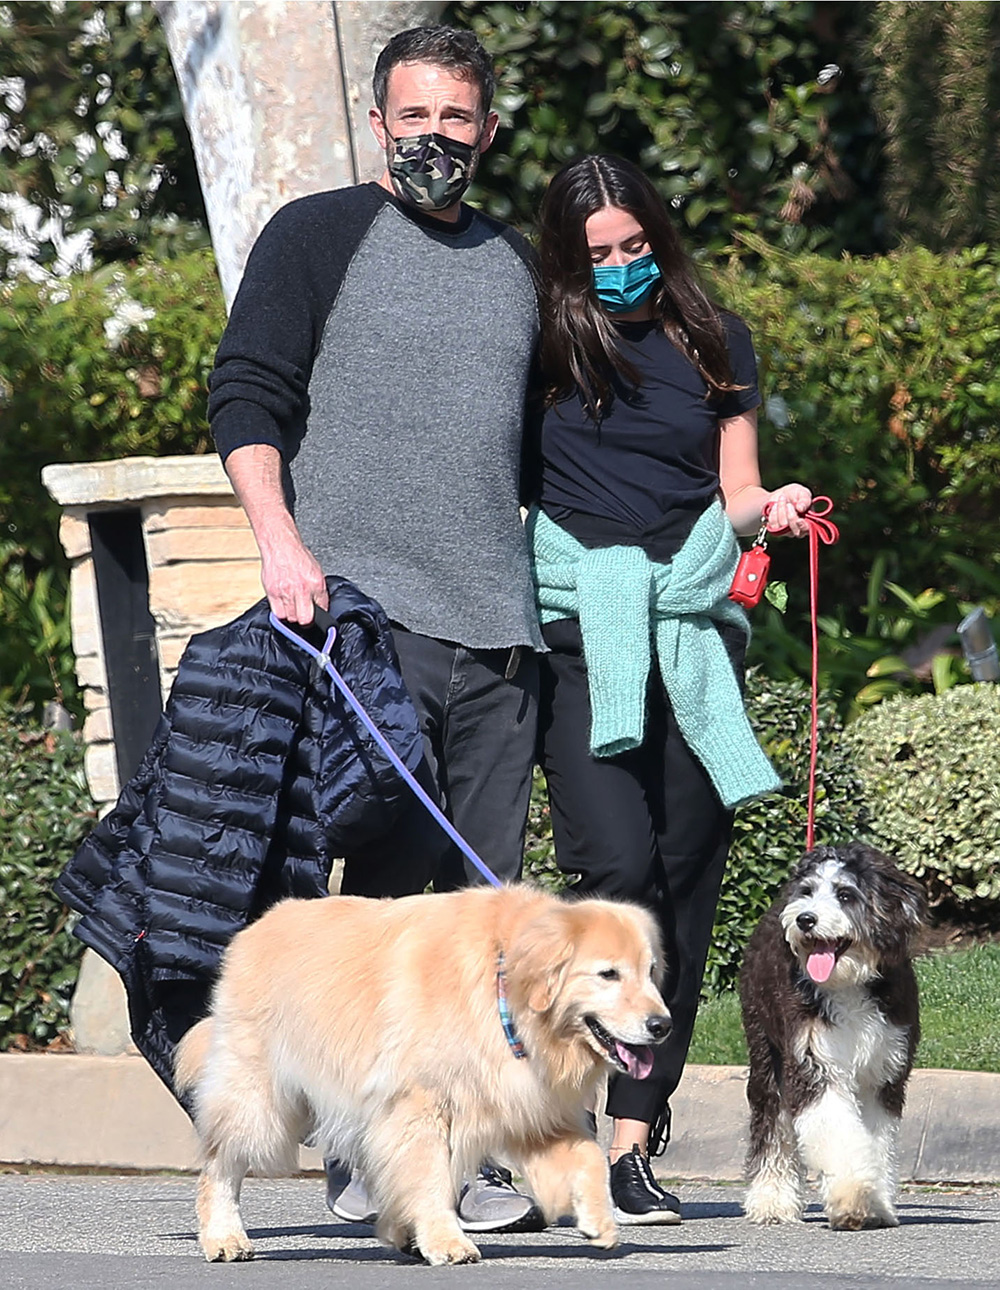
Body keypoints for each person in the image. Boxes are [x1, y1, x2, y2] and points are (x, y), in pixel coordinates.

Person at [207, 25, 545, 1234]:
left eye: (458, 121)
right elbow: (244, 389)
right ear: (379, 120)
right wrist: (279, 540)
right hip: (366, 620)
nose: (434, 141)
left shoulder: (519, 264)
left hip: (502, 632)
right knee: (389, 903)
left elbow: (559, 446)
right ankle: (370, 1146)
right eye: (415, 117)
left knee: (483, 907)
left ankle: (464, 1146)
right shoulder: (318, 235)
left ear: (488, 131)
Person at [528, 154, 813, 1225]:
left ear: (659, 235)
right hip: (580, 632)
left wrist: (770, 504)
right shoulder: (543, 343)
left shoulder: (711, 338)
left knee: (683, 885)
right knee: (613, 872)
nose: (619, 268)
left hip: (692, 629)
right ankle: (555, 1131)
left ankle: (632, 1147)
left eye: (634, 246)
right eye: (597, 254)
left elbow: (733, 492)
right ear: (568, 259)